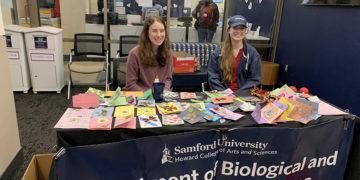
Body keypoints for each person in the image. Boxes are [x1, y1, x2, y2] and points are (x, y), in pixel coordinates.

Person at [207, 15, 262, 92]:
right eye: (235, 27)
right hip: (222, 95)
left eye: (242, 28)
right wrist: (224, 94)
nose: (238, 31)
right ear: (229, 30)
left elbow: (254, 79)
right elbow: (212, 76)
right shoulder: (218, 52)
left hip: (243, 96)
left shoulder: (252, 54)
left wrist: (237, 95)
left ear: (246, 30)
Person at [124, 16, 173, 91]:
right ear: (147, 33)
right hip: (141, 97)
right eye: (154, 31)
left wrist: (163, 91)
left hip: (160, 97)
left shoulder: (168, 53)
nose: (159, 35)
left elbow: (168, 79)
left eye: (162, 31)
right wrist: (149, 95)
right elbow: (131, 84)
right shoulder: (134, 54)